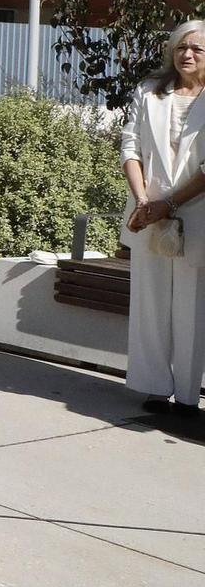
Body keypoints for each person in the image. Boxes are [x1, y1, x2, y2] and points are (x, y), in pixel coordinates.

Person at [119, 21, 205, 415]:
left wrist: (168, 205)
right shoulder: (148, 92)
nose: (186, 55)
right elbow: (130, 147)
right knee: (150, 303)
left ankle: (188, 396)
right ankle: (155, 386)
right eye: (180, 47)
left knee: (191, 307)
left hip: (195, 213)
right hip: (147, 214)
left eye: (197, 49)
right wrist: (143, 202)